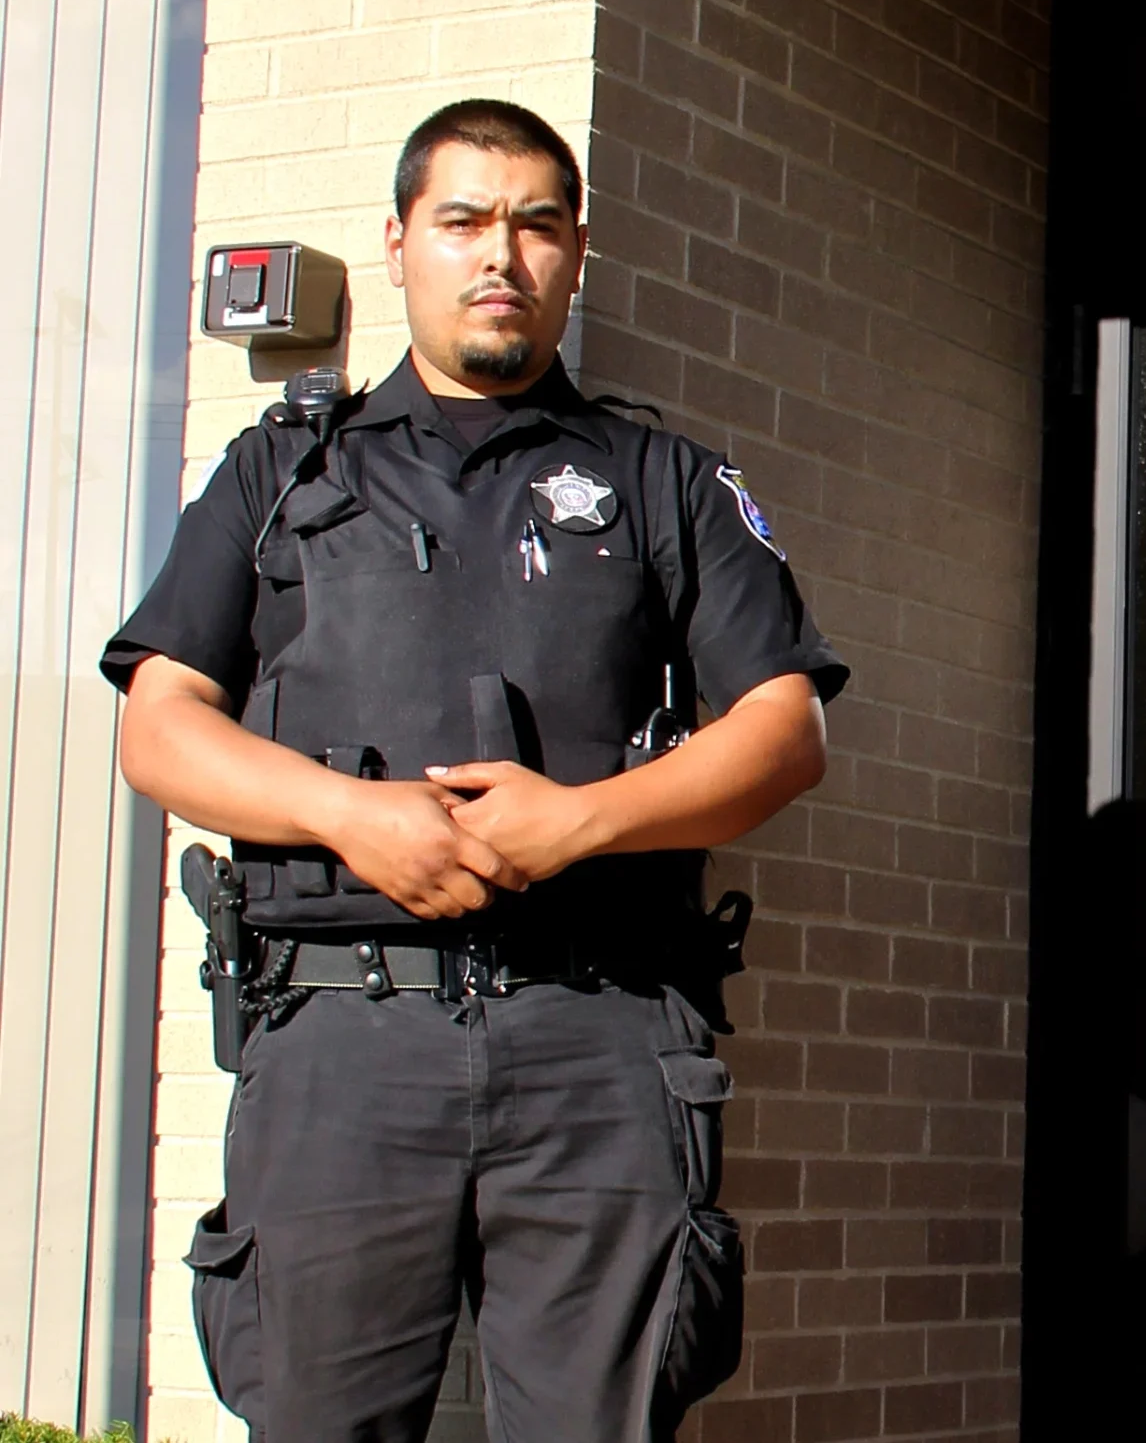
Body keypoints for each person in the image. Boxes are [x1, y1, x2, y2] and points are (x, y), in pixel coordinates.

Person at [105, 99, 847, 1441]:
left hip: (600, 1036)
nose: (498, 252)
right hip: (340, 1036)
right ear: (399, 245)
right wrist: (349, 816)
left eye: (535, 224)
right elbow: (160, 726)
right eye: (462, 220)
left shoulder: (665, 481)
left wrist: (581, 823)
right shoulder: (279, 474)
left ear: (575, 255)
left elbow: (784, 728)